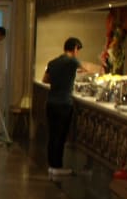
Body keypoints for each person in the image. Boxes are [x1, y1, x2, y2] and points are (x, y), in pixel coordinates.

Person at [42, 37, 100, 177]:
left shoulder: (53, 62)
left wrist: (59, 81)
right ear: (75, 48)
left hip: (51, 103)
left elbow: (45, 79)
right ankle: (57, 166)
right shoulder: (72, 61)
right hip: (64, 103)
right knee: (61, 136)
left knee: (53, 135)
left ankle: (52, 165)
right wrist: (102, 67)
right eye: (78, 50)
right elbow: (88, 68)